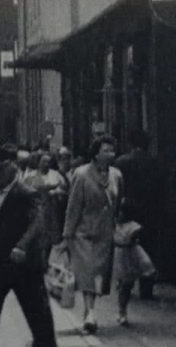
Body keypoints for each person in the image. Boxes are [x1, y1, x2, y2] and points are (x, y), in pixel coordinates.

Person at [0, 144, 55, 347]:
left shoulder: (27, 194)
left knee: (40, 323)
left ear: (14, 167)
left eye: (0, 168)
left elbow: (37, 224)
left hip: (25, 269)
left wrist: (22, 246)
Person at [63, 134, 122, 334]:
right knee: (87, 273)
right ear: (96, 154)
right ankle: (90, 313)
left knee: (98, 274)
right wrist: (67, 235)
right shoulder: (81, 175)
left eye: (112, 150)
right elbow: (73, 207)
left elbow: (117, 202)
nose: (110, 153)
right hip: (83, 233)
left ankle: (91, 309)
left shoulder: (116, 175)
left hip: (105, 234)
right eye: (105, 150)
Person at [113, 129, 164, 300]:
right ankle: (146, 288)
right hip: (151, 211)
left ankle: (126, 284)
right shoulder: (155, 162)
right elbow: (160, 189)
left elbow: (115, 188)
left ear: (130, 143)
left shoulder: (121, 162)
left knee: (127, 247)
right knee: (148, 247)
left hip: (128, 211)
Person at [22, 151, 66, 259]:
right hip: (37, 211)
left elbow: (64, 189)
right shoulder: (30, 177)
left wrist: (56, 193)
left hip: (53, 211)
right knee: (38, 238)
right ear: (38, 162)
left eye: (48, 162)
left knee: (52, 239)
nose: (46, 164)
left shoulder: (56, 175)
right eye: (44, 161)